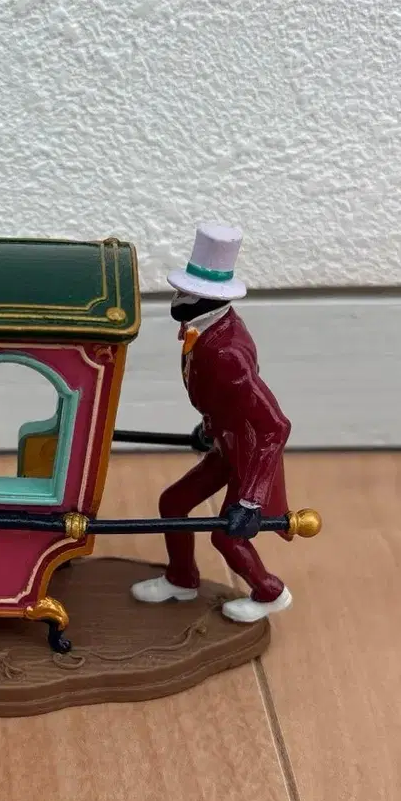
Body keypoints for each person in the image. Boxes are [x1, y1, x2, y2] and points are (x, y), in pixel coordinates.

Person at [130, 223, 293, 623]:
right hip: (225, 441)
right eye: (181, 290)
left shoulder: (226, 353)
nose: (179, 301)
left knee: (226, 534)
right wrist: (209, 427)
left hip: (247, 455)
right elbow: (221, 398)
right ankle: (182, 578)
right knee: (173, 503)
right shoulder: (204, 330)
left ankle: (270, 592)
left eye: (189, 294)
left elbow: (275, 426)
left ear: (212, 300)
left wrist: (251, 501)